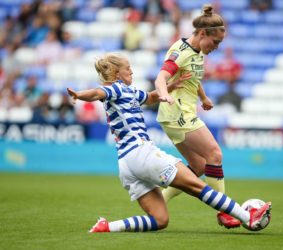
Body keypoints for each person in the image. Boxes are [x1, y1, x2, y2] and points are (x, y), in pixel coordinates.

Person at [66, 53, 271, 233]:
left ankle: (108, 226)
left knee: (160, 220)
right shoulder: (116, 89)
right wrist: (79, 95)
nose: (132, 72)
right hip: (141, 153)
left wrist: (170, 87)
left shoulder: (130, 92)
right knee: (197, 186)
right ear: (118, 73)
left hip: (126, 165)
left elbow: (150, 97)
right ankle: (247, 216)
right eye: (128, 69)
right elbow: (98, 93)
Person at [154, 4, 242, 228]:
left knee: (200, 166)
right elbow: (161, 78)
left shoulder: (198, 51)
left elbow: (193, 77)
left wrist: (203, 97)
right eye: (216, 42)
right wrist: (164, 95)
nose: (216, 47)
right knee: (214, 153)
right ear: (203, 33)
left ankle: (158, 203)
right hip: (177, 113)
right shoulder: (181, 51)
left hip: (179, 114)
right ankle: (224, 211)